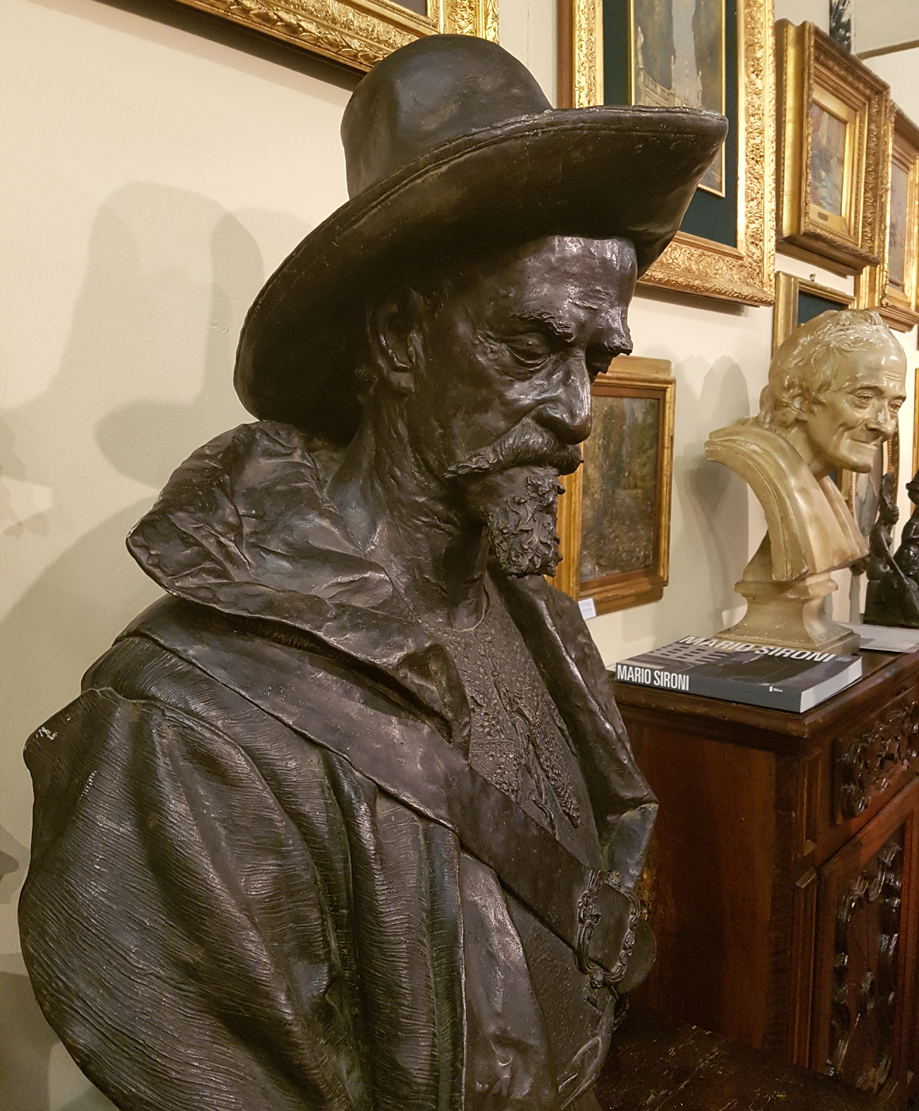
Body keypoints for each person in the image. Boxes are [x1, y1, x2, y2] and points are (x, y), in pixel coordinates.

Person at [19, 35, 725, 1111]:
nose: (579, 413)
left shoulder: (538, 617)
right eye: (530, 348)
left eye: (595, 359)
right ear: (396, 336)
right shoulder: (180, 733)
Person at [706, 309, 907, 585]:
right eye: (864, 398)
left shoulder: (822, 489)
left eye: (894, 406)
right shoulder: (764, 463)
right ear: (799, 398)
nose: (885, 427)